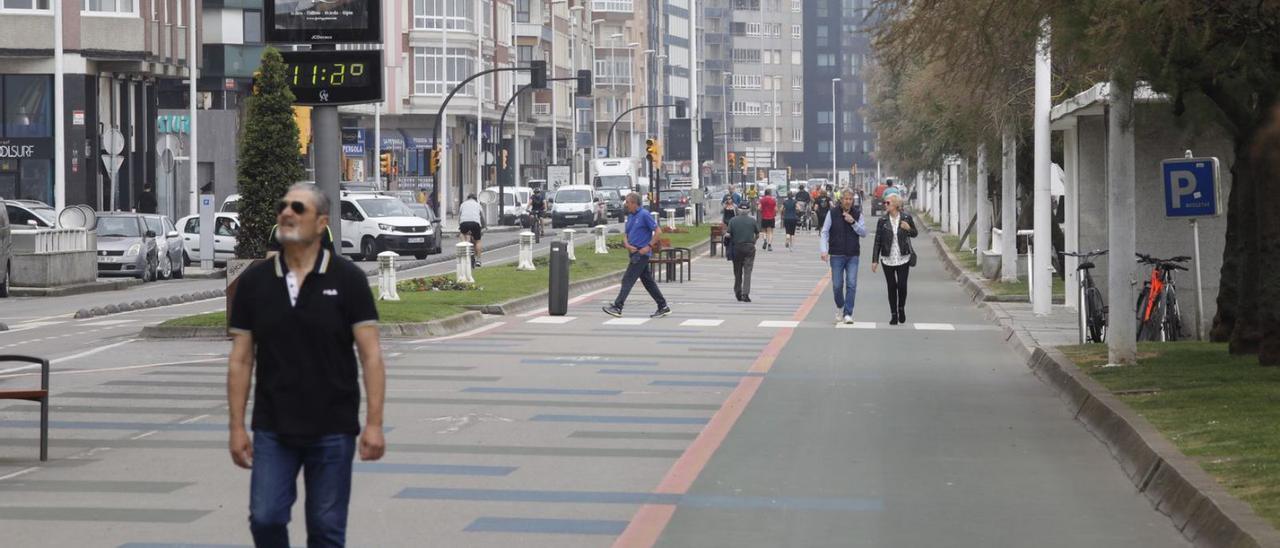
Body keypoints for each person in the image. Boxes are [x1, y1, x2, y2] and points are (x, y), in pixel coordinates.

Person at [227, 182, 386, 548]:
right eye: (284, 206)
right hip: (273, 428)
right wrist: (236, 427)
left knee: (326, 530)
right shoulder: (255, 282)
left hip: (333, 427)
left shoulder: (348, 280)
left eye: (298, 208)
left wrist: (374, 424)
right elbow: (241, 359)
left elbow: (371, 356)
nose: (287, 213)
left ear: (321, 223)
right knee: (265, 518)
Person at [603, 192, 671, 319]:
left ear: (634, 203)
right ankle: (663, 306)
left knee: (627, 279)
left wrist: (648, 247)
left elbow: (658, 231)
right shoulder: (631, 216)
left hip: (640, 254)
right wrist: (627, 244)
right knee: (648, 282)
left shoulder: (644, 215)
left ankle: (618, 306)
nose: (626, 205)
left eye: (628, 202)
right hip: (632, 252)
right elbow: (626, 234)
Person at [819, 189, 866, 324]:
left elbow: (863, 233)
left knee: (851, 284)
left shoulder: (858, 214)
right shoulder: (832, 213)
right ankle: (840, 306)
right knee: (837, 285)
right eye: (845, 199)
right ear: (841, 200)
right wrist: (824, 250)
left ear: (853, 200)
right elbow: (825, 232)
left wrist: (853, 222)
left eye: (850, 199)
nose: (848, 201)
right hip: (836, 254)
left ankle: (848, 313)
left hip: (852, 255)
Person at [872, 193, 918, 325]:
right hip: (887, 258)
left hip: (903, 257)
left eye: (888, 203)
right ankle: (893, 314)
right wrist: (875, 260)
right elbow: (877, 241)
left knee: (902, 286)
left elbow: (915, 233)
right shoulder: (882, 221)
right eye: (885, 203)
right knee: (891, 287)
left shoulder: (906, 217)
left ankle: (901, 308)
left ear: (896, 205)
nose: (885, 205)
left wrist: (908, 228)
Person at [727, 205, 760, 302]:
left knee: (737, 271)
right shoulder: (752, 221)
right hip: (749, 247)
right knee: (747, 272)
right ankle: (745, 294)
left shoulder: (733, 220)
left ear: (739, 210)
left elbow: (728, 234)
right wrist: (753, 241)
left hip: (737, 247)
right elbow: (757, 234)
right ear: (749, 210)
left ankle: (738, 291)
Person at [459, 194, 484, 267]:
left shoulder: (463, 204)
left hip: (464, 223)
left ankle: (465, 247)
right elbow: (482, 217)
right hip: (475, 224)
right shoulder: (477, 204)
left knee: (462, 234)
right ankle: (478, 260)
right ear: (475, 199)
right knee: (478, 241)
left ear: (467, 198)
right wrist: (484, 226)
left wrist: (460, 226)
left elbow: (459, 216)